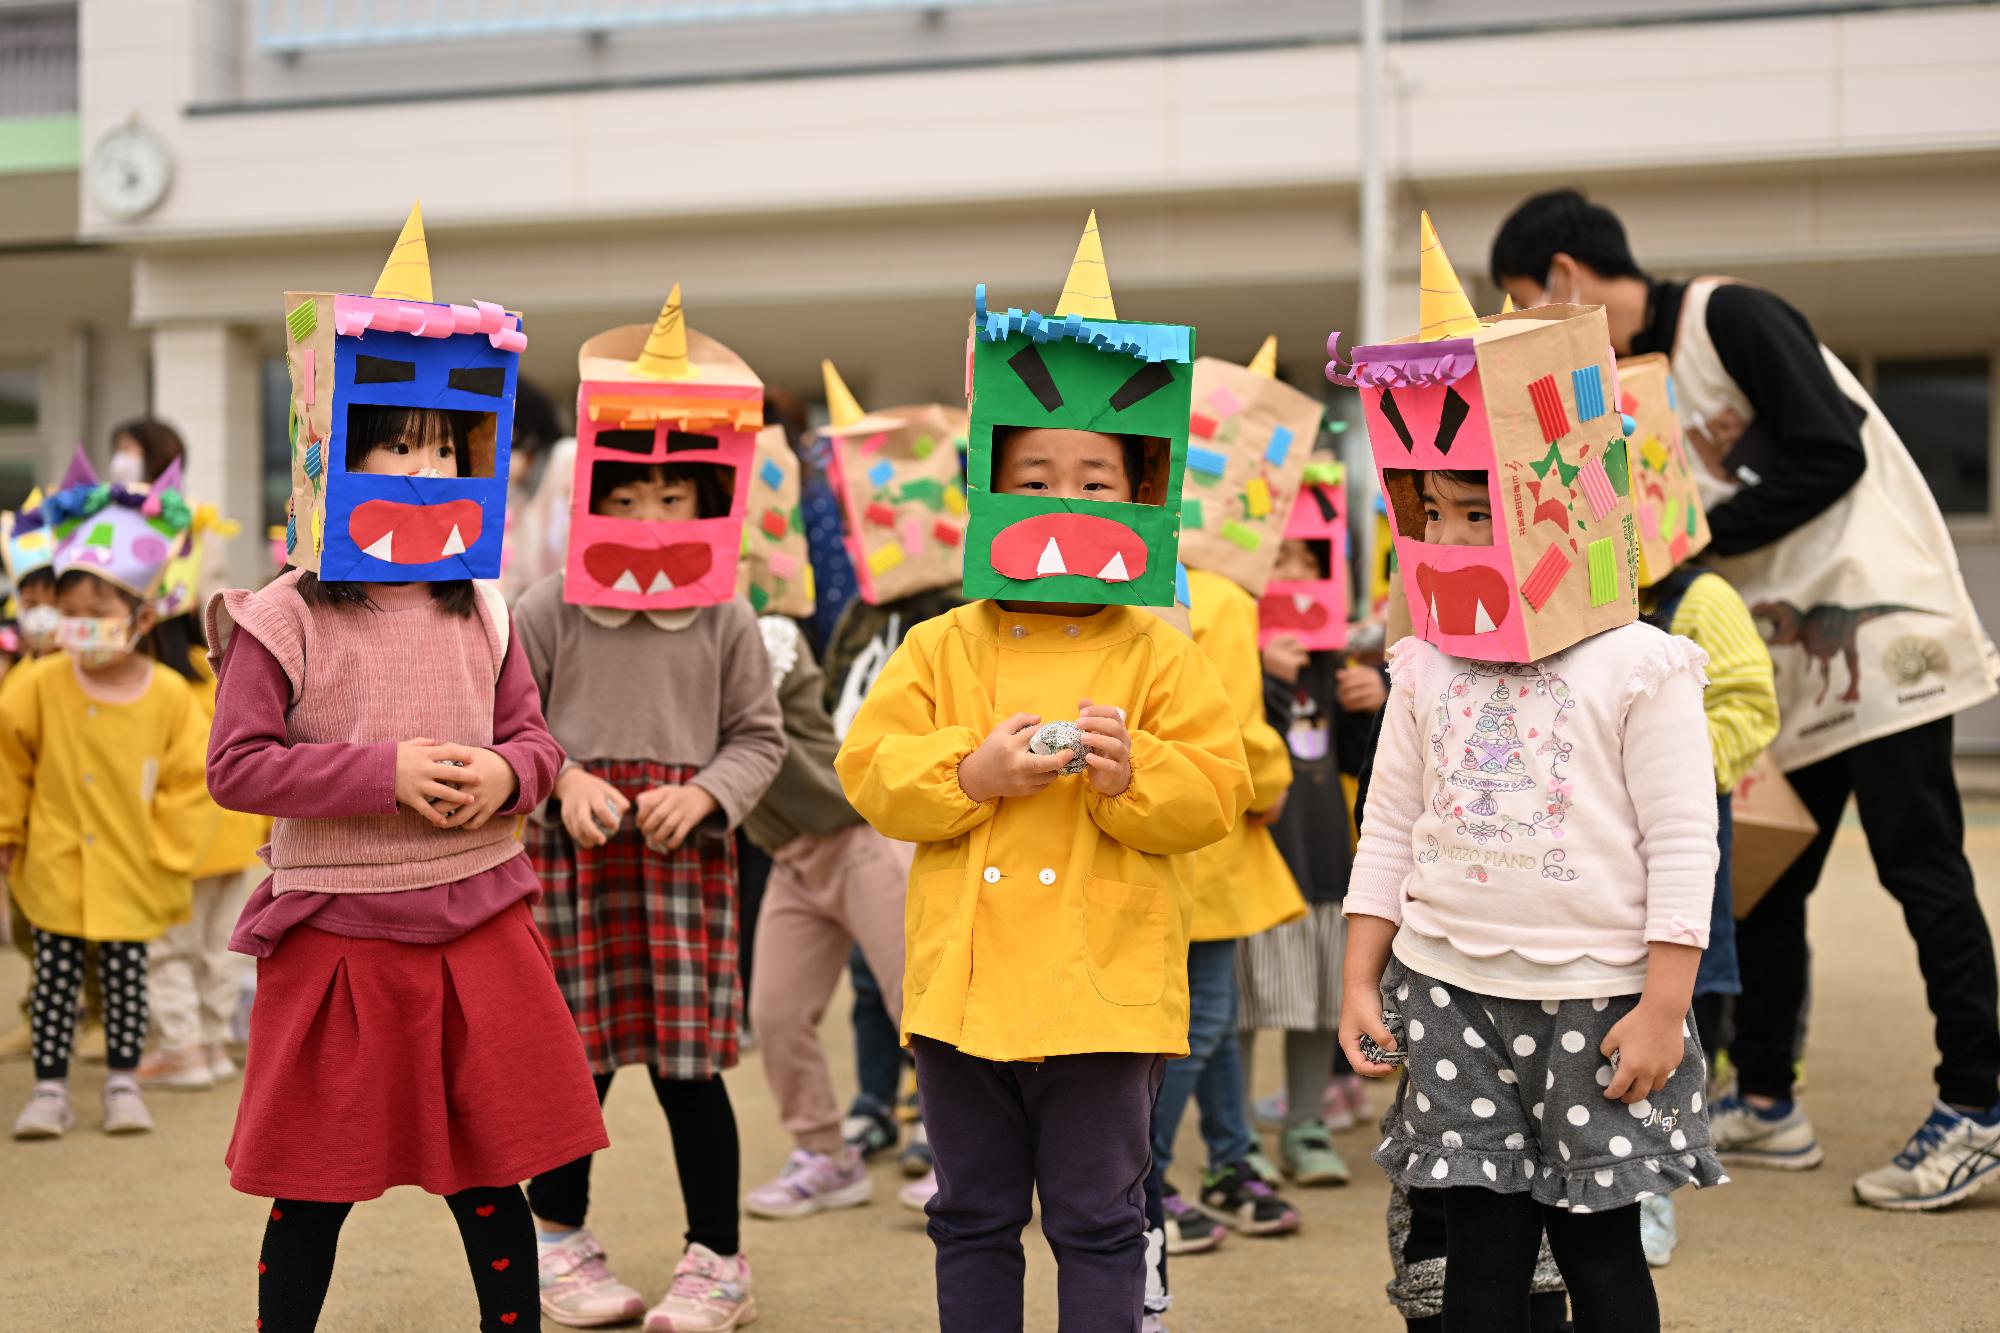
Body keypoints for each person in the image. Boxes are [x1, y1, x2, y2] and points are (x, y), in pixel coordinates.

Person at [1491, 188, 2000, 1210]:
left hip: (1875, 622)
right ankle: (1767, 1095)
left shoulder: (1724, 315)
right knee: (1767, 872)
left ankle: (1979, 1106)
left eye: (1526, 302)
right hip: (1782, 655)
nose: (1534, 328)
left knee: (1918, 862)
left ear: (1562, 276)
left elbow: (1832, 448)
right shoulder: (1622, 392)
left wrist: (1692, 534)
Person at [837, 216, 1251, 1332]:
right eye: (1035, 474)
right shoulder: (939, 643)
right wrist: (968, 773)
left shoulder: (1158, 647)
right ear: (988, 484)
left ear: (1141, 491)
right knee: (968, 1213)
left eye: (1094, 476)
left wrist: (1135, 774)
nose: (1064, 503)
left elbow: (1214, 795)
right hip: (961, 994)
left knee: (1100, 1216)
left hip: (1103, 994)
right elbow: (869, 770)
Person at [213, 224, 608, 1332]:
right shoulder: (279, 613)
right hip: (337, 930)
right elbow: (237, 767)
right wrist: (385, 772)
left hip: (479, 922)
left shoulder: (483, 604)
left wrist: (503, 776)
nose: (429, 472)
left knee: (491, 1176)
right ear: (332, 449)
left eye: (452, 449)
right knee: (314, 1183)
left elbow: (535, 743)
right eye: (400, 447)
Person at [1336, 227, 1726, 1331]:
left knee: (1602, 1258)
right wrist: (1361, 977)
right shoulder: (1423, 661)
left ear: (1562, 507)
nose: (1459, 541)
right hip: (1448, 993)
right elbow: (1389, 826)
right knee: (1477, 1259)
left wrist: (1661, 1005)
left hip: (1596, 1001)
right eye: (1441, 516)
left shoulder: (1639, 663)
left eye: (1484, 514)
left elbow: (1680, 844)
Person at [515, 290, 785, 1333]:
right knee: (568, 1067)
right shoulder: (544, 608)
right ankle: (557, 1244)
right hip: (571, 864)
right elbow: (513, 734)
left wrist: (705, 791)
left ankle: (716, 1259)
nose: (653, 520)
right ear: (593, 495)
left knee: (688, 1071)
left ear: (711, 501)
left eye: (678, 499)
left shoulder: (726, 614)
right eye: (632, 497)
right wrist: (564, 778)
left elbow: (759, 738)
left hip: (682, 865)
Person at [2, 458, 207, 1139]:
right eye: (69, 613)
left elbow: (189, 779)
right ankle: (50, 1087)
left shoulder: (171, 695)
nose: (80, 626)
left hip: (130, 862)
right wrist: (8, 831)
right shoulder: (36, 682)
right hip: (54, 861)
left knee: (127, 978)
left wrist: (166, 850)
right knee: (55, 980)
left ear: (142, 615)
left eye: (99, 613)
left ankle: (123, 1078)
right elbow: (10, 762)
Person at [741, 608, 913, 1219]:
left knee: (919, 1010)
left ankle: (971, 1158)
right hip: (792, 860)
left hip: (857, 841)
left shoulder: (770, 635)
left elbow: (738, 706)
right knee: (776, 1012)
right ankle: (824, 1156)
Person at [1243, 535, 1386, 1183]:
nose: (1298, 578)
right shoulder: (1237, 656)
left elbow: (1360, 758)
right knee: (1245, 1003)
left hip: (1327, 856)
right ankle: (1237, 1131)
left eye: (1310, 564)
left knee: (1316, 1002)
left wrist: (1372, 703)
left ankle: (1305, 1122)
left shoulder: (1336, 663)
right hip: (1260, 861)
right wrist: (1267, 678)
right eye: (1281, 563)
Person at [109, 417, 187, 488]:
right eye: (117, 450)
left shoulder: (183, 502)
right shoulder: (111, 500)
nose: (119, 457)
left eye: (126, 448)